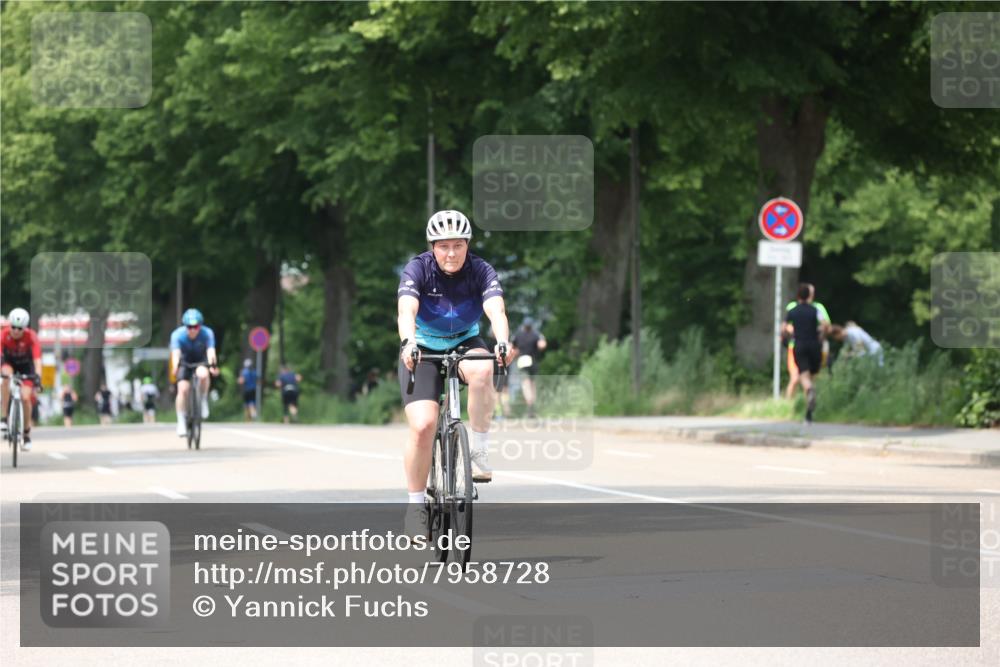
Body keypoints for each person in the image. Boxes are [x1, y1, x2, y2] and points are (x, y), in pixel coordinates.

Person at [397, 209, 512, 539]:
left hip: (464, 340)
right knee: (422, 425)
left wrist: (502, 341)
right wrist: (408, 343)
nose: (451, 253)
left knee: (483, 368)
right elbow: (407, 310)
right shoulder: (417, 269)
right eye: (443, 246)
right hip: (421, 347)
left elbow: (496, 310)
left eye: (458, 245)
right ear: (432, 246)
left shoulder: (481, 271)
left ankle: (478, 448)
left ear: (467, 245)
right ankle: (416, 505)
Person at [169, 308, 219, 436]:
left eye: (195, 327)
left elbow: (210, 351)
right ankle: (181, 421)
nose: (192, 330)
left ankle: (202, 399)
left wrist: (213, 365)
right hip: (184, 359)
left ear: (200, 326)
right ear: (185, 326)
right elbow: (175, 354)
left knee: (203, 374)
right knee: (183, 389)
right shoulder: (177, 335)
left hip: (200, 359)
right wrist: (175, 368)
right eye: (189, 327)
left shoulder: (207, 333)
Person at [784, 283, 826, 424]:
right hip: (814, 346)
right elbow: (825, 325)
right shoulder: (815, 310)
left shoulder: (793, 310)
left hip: (799, 345)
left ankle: (809, 390)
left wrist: (788, 335)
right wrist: (820, 334)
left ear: (798, 295)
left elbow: (783, 328)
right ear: (809, 295)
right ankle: (809, 414)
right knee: (812, 375)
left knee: (804, 376)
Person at [511, 318, 547, 417]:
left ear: (523, 325)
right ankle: (532, 406)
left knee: (526, 384)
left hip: (523, 361)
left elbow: (512, 348)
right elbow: (542, 345)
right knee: (533, 384)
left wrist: (516, 354)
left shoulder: (517, 335)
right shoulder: (536, 334)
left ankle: (529, 405)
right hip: (533, 361)